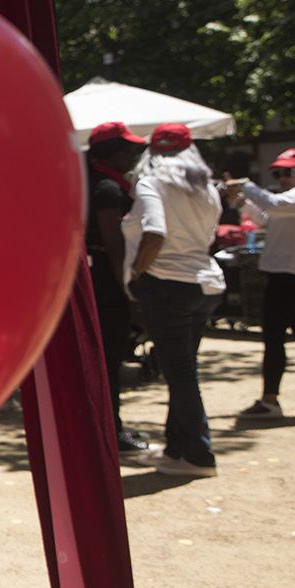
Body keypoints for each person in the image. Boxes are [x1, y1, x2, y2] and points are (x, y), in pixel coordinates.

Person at [122, 123, 226, 477]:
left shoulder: (151, 183)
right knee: (182, 370)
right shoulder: (207, 189)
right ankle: (179, 448)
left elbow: (155, 232)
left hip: (167, 285)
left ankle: (199, 454)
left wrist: (136, 273)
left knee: (180, 373)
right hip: (204, 284)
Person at [224, 148, 295, 418]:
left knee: (274, 338)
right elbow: (268, 218)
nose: (282, 177)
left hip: (289, 276)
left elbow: (272, 206)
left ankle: (270, 400)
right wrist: (242, 202)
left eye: (288, 172)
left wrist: (246, 185)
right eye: (278, 173)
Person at [84, 121, 153, 456]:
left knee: (105, 361)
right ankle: (112, 431)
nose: (133, 154)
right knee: (108, 361)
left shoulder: (92, 181)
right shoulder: (107, 189)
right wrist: (129, 291)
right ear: (112, 152)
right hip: (107, 285)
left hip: (93, 278)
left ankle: (107, 426)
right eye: (128, 148)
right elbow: (114, 245)